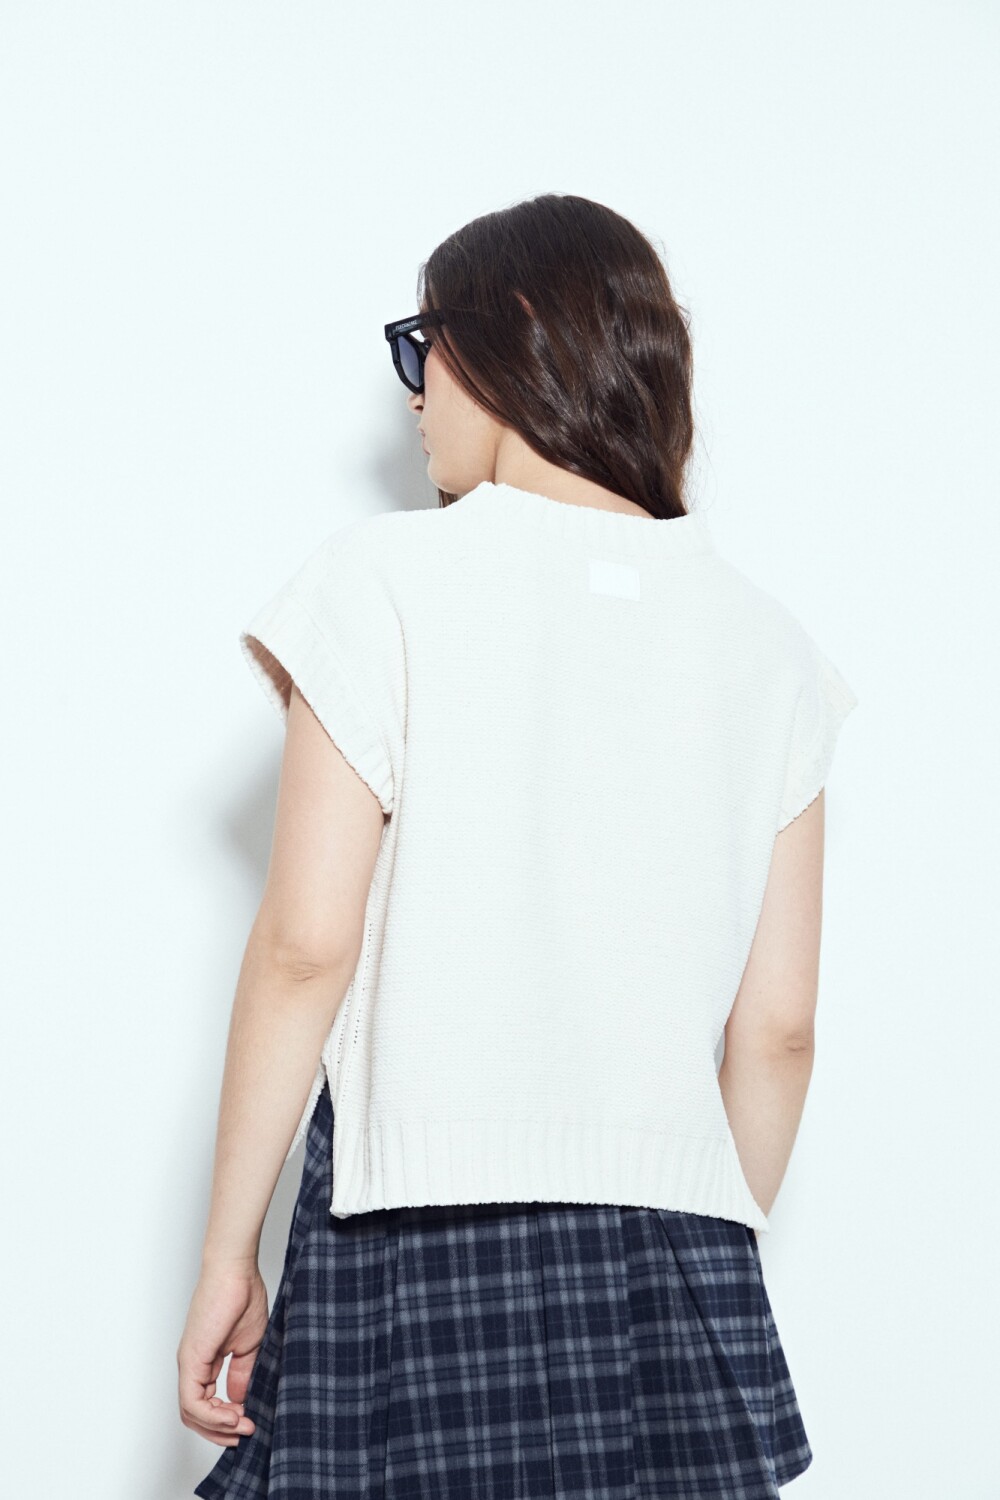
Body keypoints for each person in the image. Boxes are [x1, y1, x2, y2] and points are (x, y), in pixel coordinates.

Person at [179, 192, 858, 1499]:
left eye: (421, 345)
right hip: (676, 1242)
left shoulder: (383, 583)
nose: (413, 394)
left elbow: (307, 944)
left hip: (417, 1222)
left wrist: (227, 1254)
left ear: (517, 329)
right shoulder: (772, 651)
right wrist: (709, 1235)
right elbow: (778, 1033)